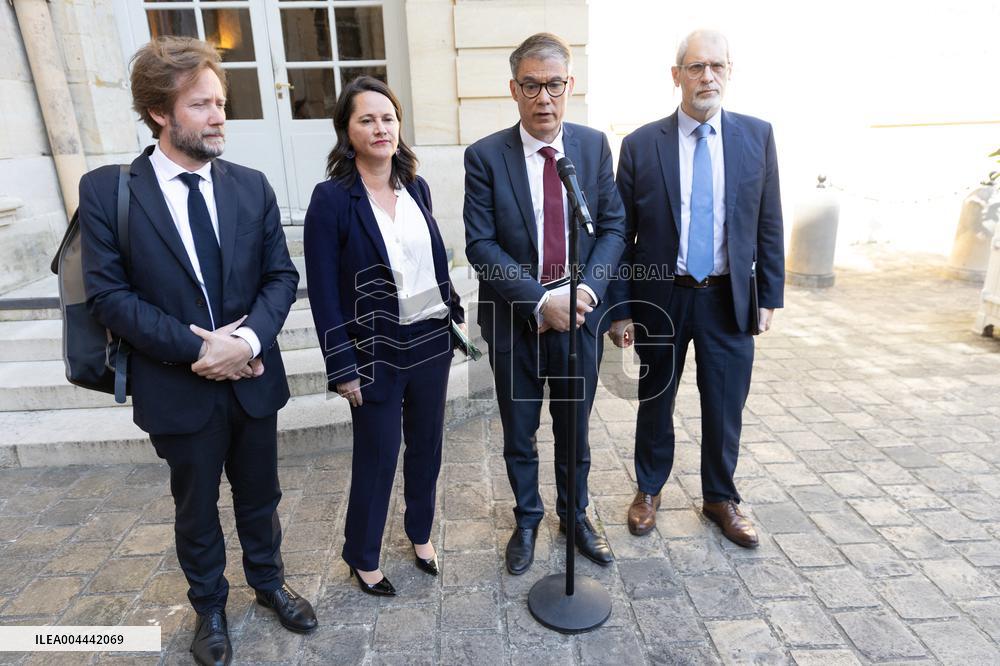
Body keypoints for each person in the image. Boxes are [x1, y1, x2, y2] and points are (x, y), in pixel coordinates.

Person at [80, 37, 316, 665]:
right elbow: (110, 298)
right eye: (202, 105)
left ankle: (268, 584)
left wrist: (245, 340)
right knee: (196, 505)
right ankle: (209, 605)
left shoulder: (251, 185)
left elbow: (281, 277)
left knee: (261, 496)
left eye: (221, 103)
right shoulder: (110, 191)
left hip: (253, 376)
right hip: (176, 386)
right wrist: (199, 351)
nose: (219, 117)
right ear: (161, 112)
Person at [607, 30, 785, 548]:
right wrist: (620, 310)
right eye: (696, 67)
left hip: (729, 297)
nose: (708, 76)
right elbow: (621, 234)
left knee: (725, 403)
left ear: (730, 72)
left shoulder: (757, 136)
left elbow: (768, 221)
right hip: (662, 296)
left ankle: (719, 498)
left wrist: (769, 296)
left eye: (717, 67)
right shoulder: (641, 144)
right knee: (655, 397)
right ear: (676, 75)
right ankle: (648, 490)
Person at [464, 33, 626, 575]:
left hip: (579, 317)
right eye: (531, 85)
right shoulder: (485, 156)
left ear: (569, 86)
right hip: (516, 322)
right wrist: (539, 302)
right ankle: (528, 518)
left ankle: (574, 515)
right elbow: (480, 245)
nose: (543, 98)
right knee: (519, 430)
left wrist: (585, 292)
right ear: (513, 89)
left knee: (574, 427)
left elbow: (612, 226)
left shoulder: (593, 146)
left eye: (553, 85)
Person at [304, 76, 465, 596]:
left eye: (388, 117)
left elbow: (431, 258)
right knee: (378, 453)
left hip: (429, 340)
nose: (380, 127)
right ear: (346, 131)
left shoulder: (416, 186)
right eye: (366, 119)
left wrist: (452, 312)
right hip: (373, 349)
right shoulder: (331, 200)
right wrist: (341, 366)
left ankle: (420, 533)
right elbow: (324, 292)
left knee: (427, 446)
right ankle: (363, 555)